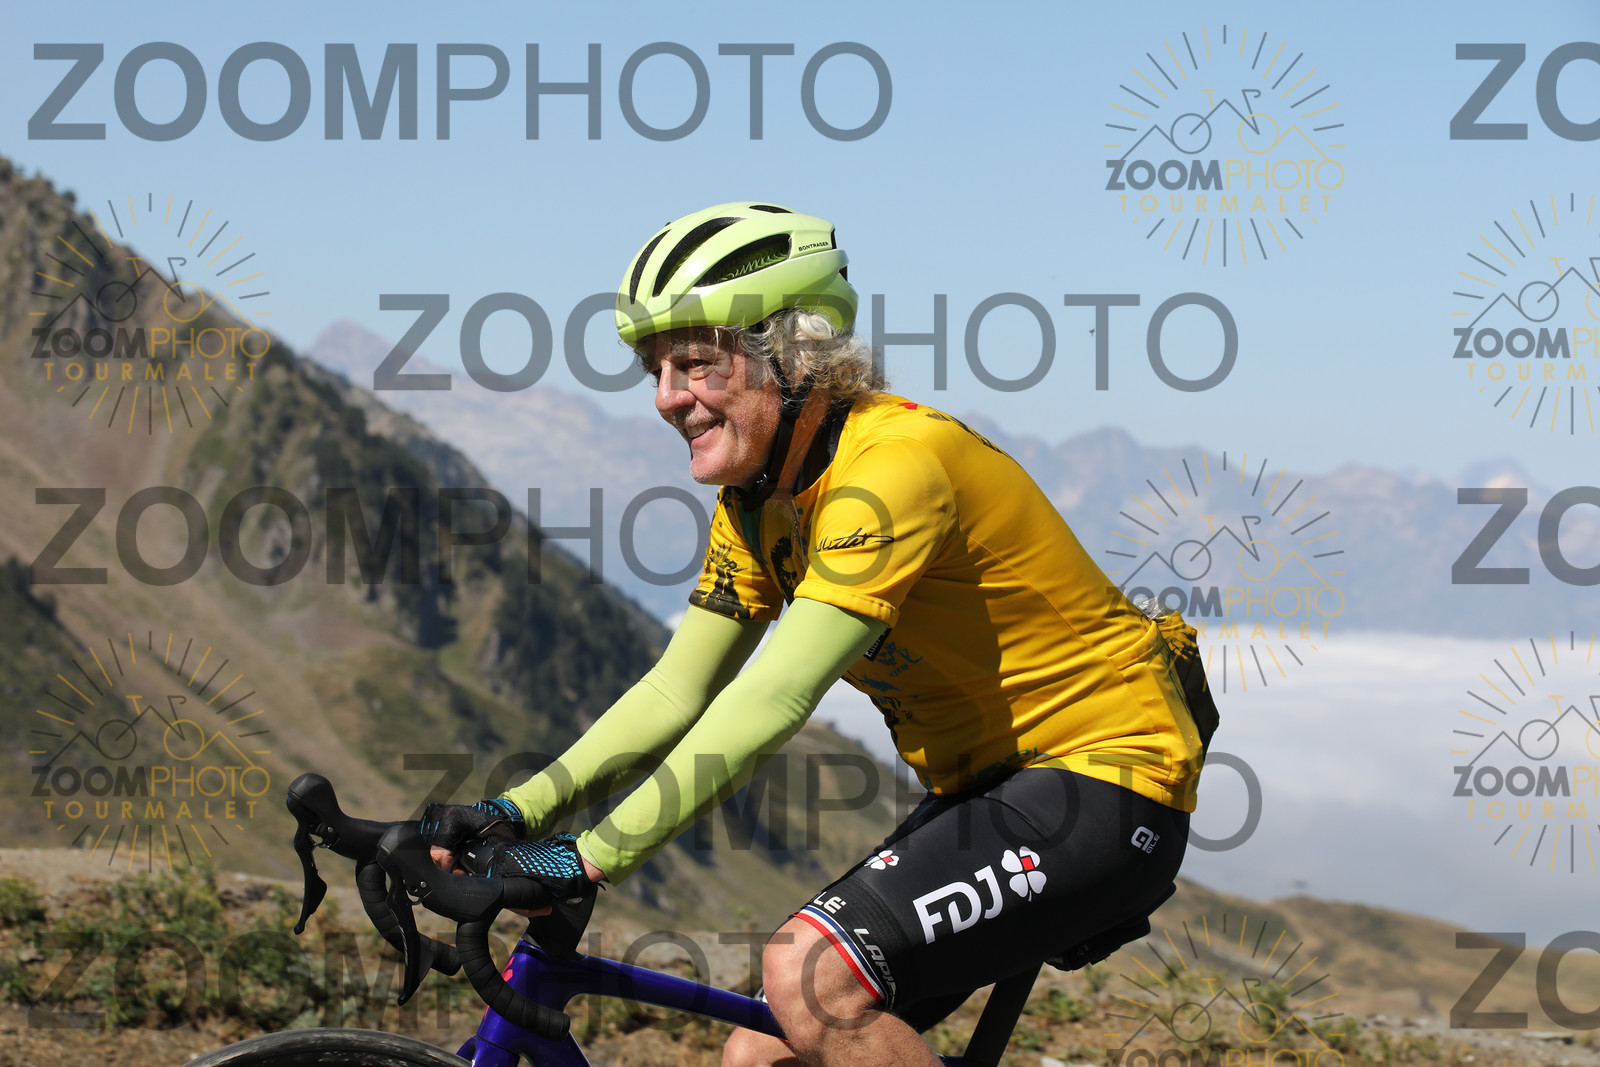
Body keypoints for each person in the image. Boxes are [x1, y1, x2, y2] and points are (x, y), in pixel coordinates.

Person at [424, 202, 1210, 1067]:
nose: (666, 397)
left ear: (792, 357)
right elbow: (675, 690)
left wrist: (589, 856)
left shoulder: (893, 467)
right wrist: (515, 809)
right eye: (655, 369)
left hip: (1104, 780)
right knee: (761, 1054)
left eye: (696, 363)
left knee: (808, 980)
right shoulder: (756, 501)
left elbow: (775, 694)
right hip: (985, 791)